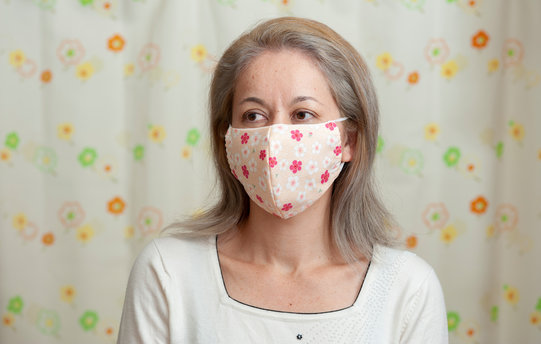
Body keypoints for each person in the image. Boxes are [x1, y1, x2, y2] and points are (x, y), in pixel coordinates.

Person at [117, 17, 448, 343]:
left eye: (302, 114)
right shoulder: (168, 272)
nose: (275, 136)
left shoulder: (408, 289)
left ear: (349, 141)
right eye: (253, 116)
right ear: (228, 141)